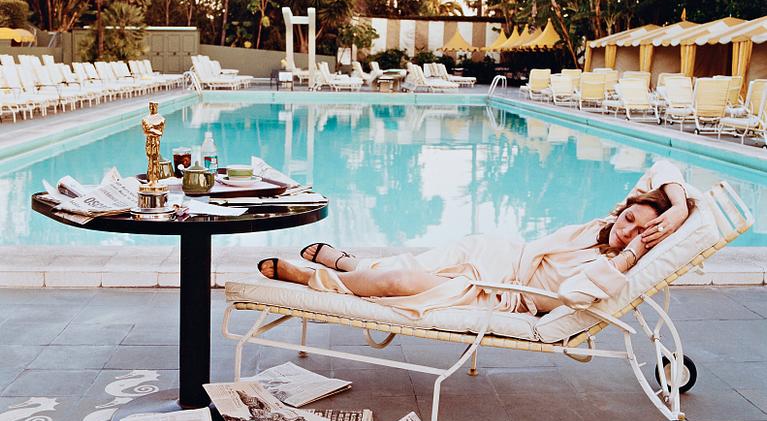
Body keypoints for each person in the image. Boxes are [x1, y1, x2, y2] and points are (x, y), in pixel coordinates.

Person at [257, 160, 695, 319]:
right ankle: (349, 264)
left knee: (399, 282)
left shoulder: (613, 271)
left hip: (501, 295)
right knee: (407, 266)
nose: (629, 230)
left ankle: (316, 278)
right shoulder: (605, 223)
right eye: (632, 219)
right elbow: (664, 167)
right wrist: (675, 209)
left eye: (641, 232)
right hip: (491, 253)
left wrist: (635, 250)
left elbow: (570, 297)